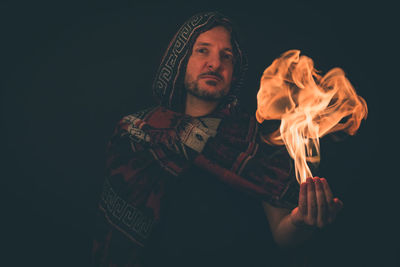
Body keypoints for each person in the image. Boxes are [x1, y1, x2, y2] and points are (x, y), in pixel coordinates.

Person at [92, 11, 343, 267]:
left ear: (235, 72)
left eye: (227, 55)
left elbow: (282, 232)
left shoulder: (255, 139)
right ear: (180, 60)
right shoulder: (138, 133)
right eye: (203, 51)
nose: (215, 63)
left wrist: (302, 220)